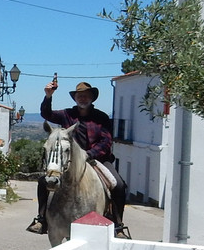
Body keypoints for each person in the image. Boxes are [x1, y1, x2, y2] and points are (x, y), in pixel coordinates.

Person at [26, 80, 128, 236]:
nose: (82, 98)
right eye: (80, 96)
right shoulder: (67, 114)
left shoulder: (101, 117)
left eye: (86, 96)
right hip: (70, 161)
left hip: (97, 159)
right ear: (75, 98)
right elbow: (47, 114)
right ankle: (41, 219)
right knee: (43, 181)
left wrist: (89, 154)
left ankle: (118, 225)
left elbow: (106, 141)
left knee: (119, 185)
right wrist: (48, 96)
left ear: (92, 98)